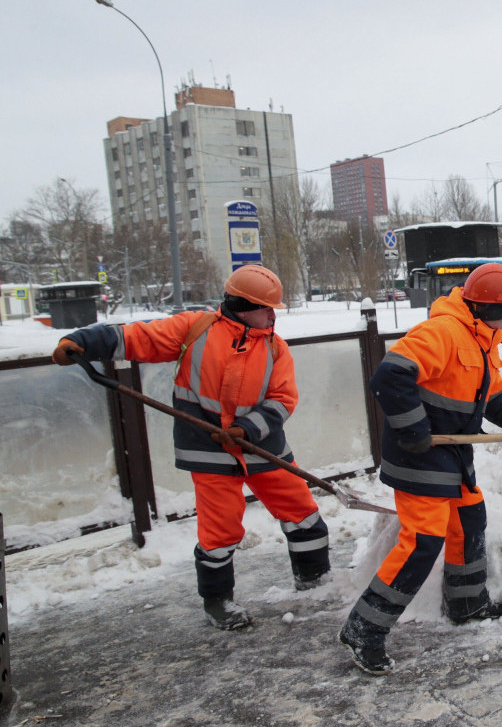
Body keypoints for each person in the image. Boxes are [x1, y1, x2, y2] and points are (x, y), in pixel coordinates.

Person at [51, 265, 330, 631]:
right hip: (207, 450)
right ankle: (218, 601)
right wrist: (82, 342)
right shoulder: (193, 330)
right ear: (243, 306)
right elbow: (137, 337)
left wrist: (248, 428)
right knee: (220, 530)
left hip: (263, 448)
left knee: (303, 512)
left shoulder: (275, 348)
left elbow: (283, 399)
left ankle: (315, 583)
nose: (273, 315)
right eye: (267, 308)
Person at [339, 262, 502, 675]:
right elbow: (389, 376)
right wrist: (413, 428)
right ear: (490, 308)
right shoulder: (444, 332)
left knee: (470, 517)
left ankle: (466, 602)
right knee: (422, 542)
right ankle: (365, 627)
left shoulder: (483, 339)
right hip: (420, 455)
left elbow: (494, 398)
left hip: (452, 455)